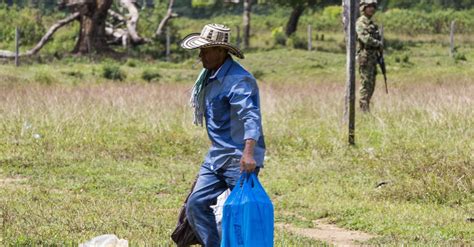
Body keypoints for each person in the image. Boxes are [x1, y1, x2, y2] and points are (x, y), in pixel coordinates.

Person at [179, 24, 266, 247]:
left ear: (221, 51)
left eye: (205, 50)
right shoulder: (209, 76)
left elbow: (250, 117)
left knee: (241, 213)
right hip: (217, 155)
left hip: (238, 157)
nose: (200, 55)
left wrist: (248, 154)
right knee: (196, 204)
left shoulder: (239, 80)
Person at [357, 0, 383, 112]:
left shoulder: (372, 24)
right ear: (363, 8)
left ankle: (366, 109)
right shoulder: (361, 22)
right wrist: (379, 44)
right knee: (366, 84)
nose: (372, 9)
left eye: (373, 6)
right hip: (365, 57)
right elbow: (365, 38)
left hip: (373, 58)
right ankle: (363, 110)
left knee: (371, 85)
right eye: (369, 6)